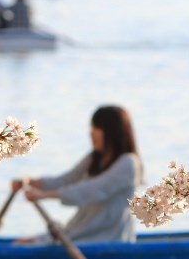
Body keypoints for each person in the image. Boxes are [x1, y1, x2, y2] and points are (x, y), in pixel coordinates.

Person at [11, 105, 143, 245]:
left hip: (109, 238)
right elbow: (65, 180)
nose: (91, 133)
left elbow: (93, 189)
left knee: (31, 245)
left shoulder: (128, 163)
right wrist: (29, 182)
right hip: (81, 231)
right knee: (20, 243)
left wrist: (45, 195)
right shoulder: (94, 158)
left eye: (97, 128)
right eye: (92, 128)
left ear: (113, 132)